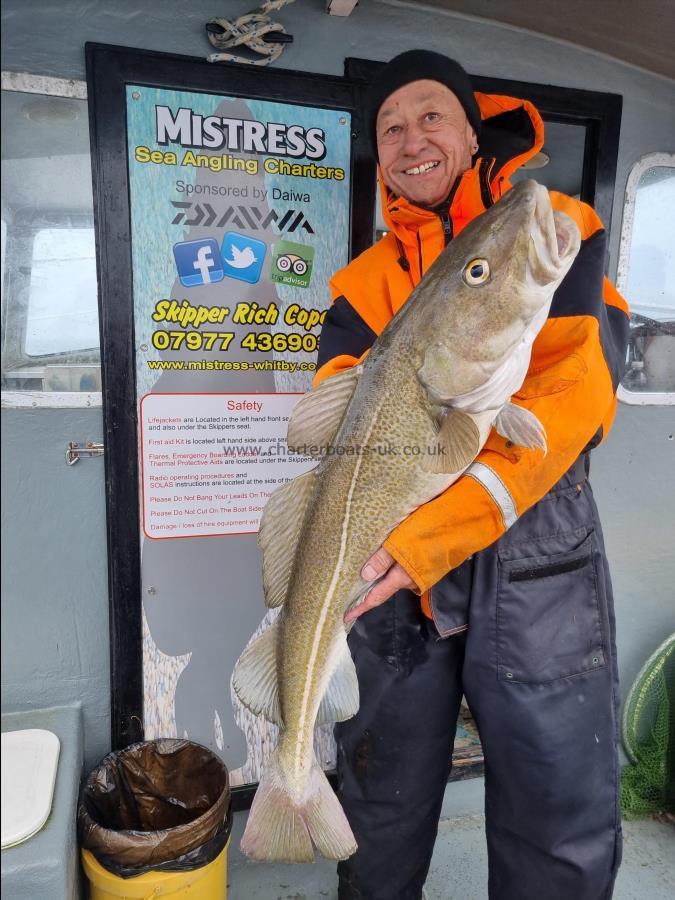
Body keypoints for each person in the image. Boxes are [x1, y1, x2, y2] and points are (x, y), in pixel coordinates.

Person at [313, 50, 630, 900]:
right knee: (378, 799)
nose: (411, 139)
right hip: (392, 564)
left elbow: (579, 396)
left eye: (430, 116)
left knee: (553, 792)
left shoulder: (554, 228)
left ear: (467, 127)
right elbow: (335, 427)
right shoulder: (357, 289)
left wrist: (439, 528)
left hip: (535, 550)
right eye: (390, 127)